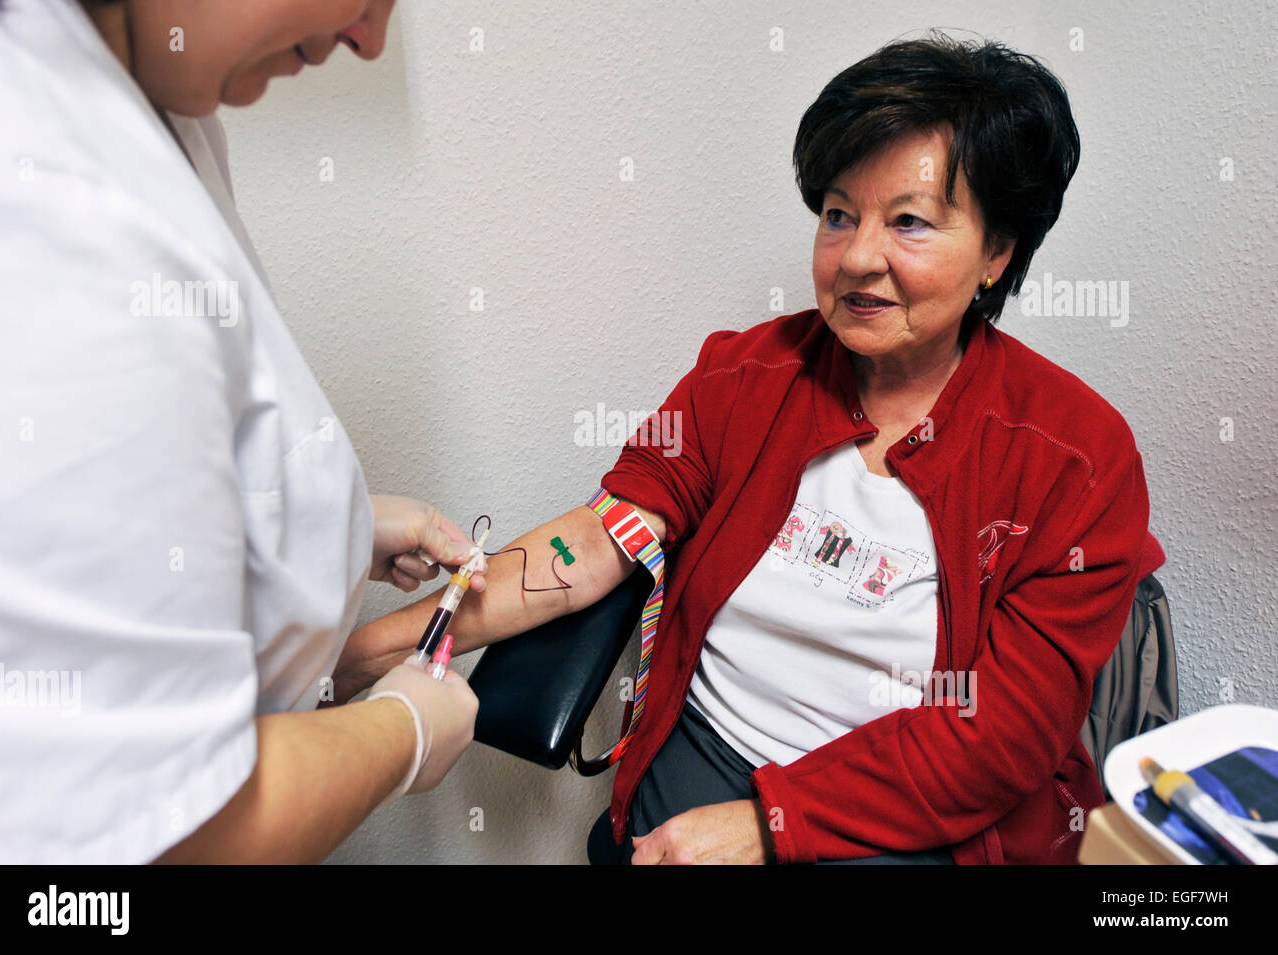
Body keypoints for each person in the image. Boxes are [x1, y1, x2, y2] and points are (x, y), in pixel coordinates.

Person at [334, 32, 1166, 865]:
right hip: (704, 759)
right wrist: (364, 652)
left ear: (998, 251)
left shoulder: (1077, 458)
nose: (857, 257)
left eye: (909, 222)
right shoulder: (747, 375)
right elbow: (593, 543)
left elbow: (1002, 739)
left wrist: (770, 824)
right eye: (839, 214)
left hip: (917, 816)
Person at [0, 0, 484, 863]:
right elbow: (171, 838)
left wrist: (316, 520)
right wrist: (405, 732)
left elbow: (160, 458)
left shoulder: (161, 100)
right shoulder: (48, 221)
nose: (371, 39)